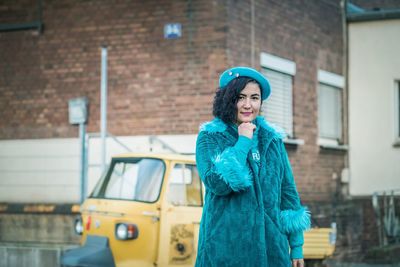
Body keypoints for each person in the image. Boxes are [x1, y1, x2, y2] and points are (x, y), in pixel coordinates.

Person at [195, 66, 311, 267]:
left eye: (254, 98)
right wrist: (243, 141)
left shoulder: (272, 139)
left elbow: (288, 192)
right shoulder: (210, 137)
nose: (248, 105)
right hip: (225, 247)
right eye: (241, 97)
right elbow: (217, 184)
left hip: (272, 247)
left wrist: (297, 245)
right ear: (228, 99)